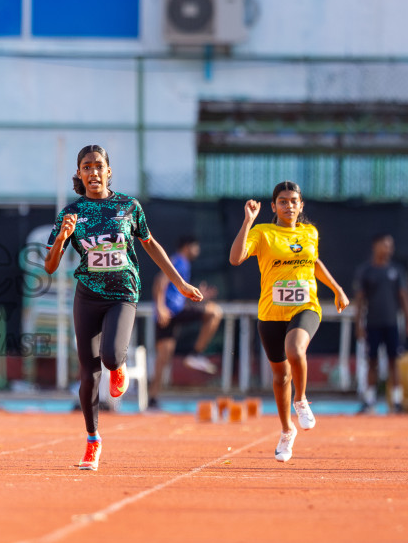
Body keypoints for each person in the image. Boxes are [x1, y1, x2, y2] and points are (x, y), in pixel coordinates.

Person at [44, 145, 200, 472]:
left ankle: (119, 365)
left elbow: (150, 245)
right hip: (87, 296)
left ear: (108, 171)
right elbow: (49, 266)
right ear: (79, 173)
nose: (93, 172)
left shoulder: (128, 206)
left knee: (111, 357)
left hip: (123, 293)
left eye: (98, 166)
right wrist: (62, 238)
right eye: (86, 167)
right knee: (88, 375)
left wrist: (180, 284)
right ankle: (92, 440)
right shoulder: (70, 213)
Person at [229, 181, 349, 463]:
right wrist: (248, 221)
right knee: (280, 377)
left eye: (294, 201)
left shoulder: (310, 232)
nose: (289, 206)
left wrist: (337, 289)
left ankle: (302, 399)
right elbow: (236, 259)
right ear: (274, 206)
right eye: (283, 201)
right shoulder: (263, 233)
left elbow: (314, 262)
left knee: (296, 350)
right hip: (271, 313)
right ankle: (286, 431)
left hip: (306, 306)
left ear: (301, 205)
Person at [352, 234, 408, 413]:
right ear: (375, 246)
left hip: (392, 324)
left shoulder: (396, 270)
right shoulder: (366, 271)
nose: (388, 249)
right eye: (385, 245)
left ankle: (397, 402)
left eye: (390, 246)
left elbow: (404, 296)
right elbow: (360, 300)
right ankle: (369, 401)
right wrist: (358, 324)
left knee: (393, 362)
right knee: (371, 361)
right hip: (372, 323)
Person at [152, 235, 223, 398]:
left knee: (213, 312)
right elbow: (159, 282)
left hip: (177, 310)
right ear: (186, 247)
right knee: (214, 312)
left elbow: (177, 290)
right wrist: (160, 307)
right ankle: (153, 398)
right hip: (169, 312)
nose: (197, 251)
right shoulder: (178, 260)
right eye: (195, 247)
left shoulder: (184, 264)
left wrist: (199, 294)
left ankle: (153, 399)